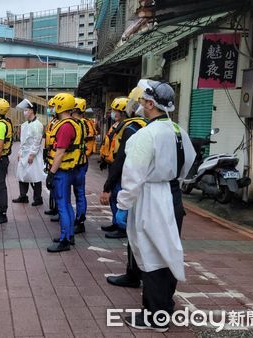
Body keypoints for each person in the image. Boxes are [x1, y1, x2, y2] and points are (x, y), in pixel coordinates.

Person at [116, 80, 196, 332]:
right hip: (172, 195)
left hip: (151, 197)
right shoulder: (177, 130)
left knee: (151, 256)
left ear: (151, 104)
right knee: (168, 251)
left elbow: (132, 175)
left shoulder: (146, 134)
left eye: (142, 101)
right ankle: (164, 305)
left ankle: (155, 316)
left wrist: (123, 204)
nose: (139, 105)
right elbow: (189, 163)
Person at [99, 97, 147, 239]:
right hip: (115, 165)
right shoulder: (120, 126)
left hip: (122, 169)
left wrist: (109, 182)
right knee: (115, 196)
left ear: (123, 112)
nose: (113, 113)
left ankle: (122, 226)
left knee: (120, 196)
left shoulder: (131, 128)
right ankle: (116, 222)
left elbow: (122, 155)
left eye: (115, 111)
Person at [45, 93, 82, 252]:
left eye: (53, 106)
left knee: (62, 205)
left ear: (60, 107)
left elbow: (60, 152)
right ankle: (70, 234)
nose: (51, 108)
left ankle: (65, 239)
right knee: (66, 204)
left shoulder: (65, 126)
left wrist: (51, 174)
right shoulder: (74, 123)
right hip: (71, 169)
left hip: (62, 172)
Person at [12, 99, 45, 206]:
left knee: (35, 176)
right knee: (22, 175)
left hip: (33, 155)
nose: (24, 112)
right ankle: (23, 196)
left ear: (32, 111)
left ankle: (38, 198)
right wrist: (20, 152)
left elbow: (37, 141)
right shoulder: (24, 124)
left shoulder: (38, 125)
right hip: (24, 153)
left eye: (26, 110)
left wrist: (32, 154)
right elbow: (23, 141)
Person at [70, 97, 93, 234]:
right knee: (79, 193)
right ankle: (79, 219)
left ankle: (79, 221)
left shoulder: (75, 124)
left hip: (76, 164)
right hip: (82, 162)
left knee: (77, 193)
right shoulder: (86, 124)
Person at [43, 98, 59, 220]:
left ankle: (58, 210)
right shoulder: (53, 121)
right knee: (52, 185)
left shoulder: (61, 123)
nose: (50, 109)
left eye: (52, 107)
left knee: (58, 186)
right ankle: (53, 208)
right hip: (50, 156)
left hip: (56, 159)